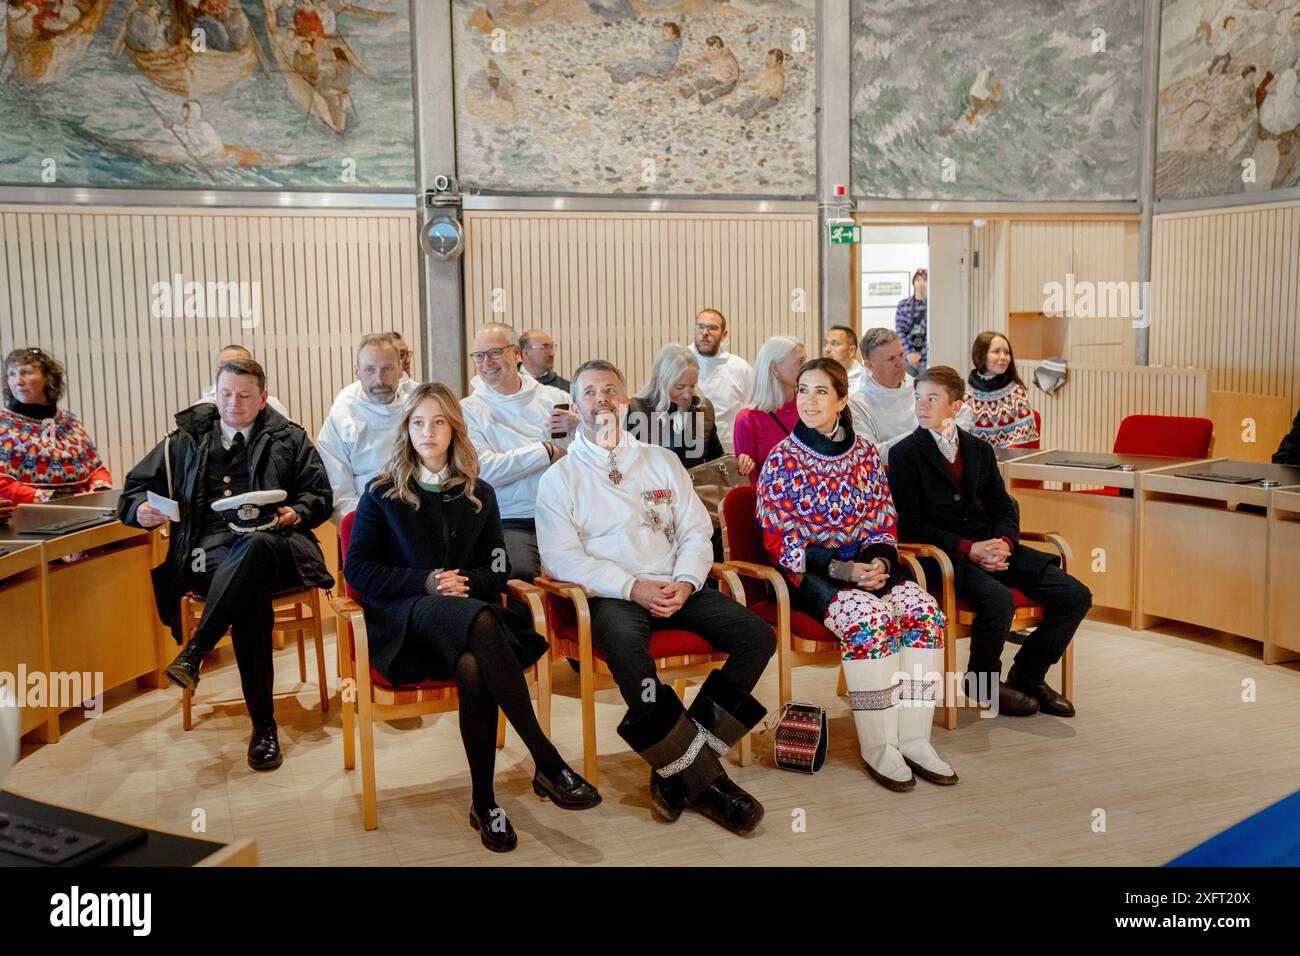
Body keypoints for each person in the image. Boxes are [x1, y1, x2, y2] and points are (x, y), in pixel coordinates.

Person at [343, 383, 600, 852]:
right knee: (483, 624)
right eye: (418, 422)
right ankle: (546, 759)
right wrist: (427, 583)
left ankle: (485, 803)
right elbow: (358, 569)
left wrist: (461, 583)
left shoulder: (478, 492)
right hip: (405, 624)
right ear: (407, 430)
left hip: (465, 623)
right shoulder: (381, 492)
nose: (428, 432)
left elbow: (496, 569)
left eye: (438, 422)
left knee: (474, 666)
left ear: (454, 430)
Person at [536, 360, 775, 835]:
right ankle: (707, 782)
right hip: (614, 596)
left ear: (625, 401)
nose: (601, 399)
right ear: (576, 405)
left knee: (756, 636)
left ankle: (680, 767)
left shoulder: (661, 461)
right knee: (629, 655)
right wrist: (631, 587)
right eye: (589, 392)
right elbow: (564, 561)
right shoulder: (560, 479)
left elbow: (696, 532)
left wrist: (686, 581)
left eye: (610, 389)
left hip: (676, 585)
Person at [118, 357, 334, 770]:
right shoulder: (184, 439)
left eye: (244, 395)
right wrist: (139, 511)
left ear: (264, 398)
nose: (233, 403)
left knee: (253, 549)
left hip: (280, 548)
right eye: (225, 394)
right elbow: (131, 493)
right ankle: (264, 727)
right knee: (247, 594)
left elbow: (319, 495)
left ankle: (195, 651)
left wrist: (296, 513)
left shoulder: (288, 437)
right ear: (214, 394)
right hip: (207, 554)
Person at [756, 358, 954, 791]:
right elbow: (778, 542)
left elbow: (884, 518)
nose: (808, 400)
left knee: (925, 610)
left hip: (869, 564)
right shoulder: (781, 459)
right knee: (869, 620)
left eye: (821, 391)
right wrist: (843, 568)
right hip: (810, 573)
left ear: (843, 400)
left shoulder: (864, 453)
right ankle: (880, 747)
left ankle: (915, 738)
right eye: (803, 390)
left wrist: (881, 562)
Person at [888, 367, 1090, 719]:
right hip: (946, 557)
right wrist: (970, 549)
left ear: (955, 406)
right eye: (918, 398)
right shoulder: (904, 453)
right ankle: (981, 682)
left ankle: (1028, 675)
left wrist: (1005, 544)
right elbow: (910, 526)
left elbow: (1002, 506)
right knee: (997, 599)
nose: (922, 406)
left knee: (1075, 594)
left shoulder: (979, 450)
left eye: (932, 399)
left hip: (995, 549)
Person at [461, 323, 576, 584]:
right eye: (479, 356)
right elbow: (485, 471)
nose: (486, 363)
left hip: (565, 512)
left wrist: (579, 428)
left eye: (494, 353)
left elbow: (588, 454)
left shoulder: (556, 398)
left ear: (516, 353)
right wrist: (545, 451)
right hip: (512, 518)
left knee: (596, 570)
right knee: (519, 575)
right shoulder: (469, 409)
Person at [316, 334, 415, 524]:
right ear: (357, 372)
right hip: (363, 515)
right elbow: (337, 487)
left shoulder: (418, 404)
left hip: (415, 511)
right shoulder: (342, 413)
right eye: (370, 370)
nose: (380, 379)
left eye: (388, 368)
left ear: (401, 369)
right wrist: (365, 523)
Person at [1, 347, 112, 504]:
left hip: (81, 510)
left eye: (26, 372)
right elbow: (3, 485)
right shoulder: (2, 423)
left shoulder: (69, 421)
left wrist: (99, 491)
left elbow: (96, 469)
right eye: (12, 374)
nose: (17, 382)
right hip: (24, 516)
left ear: (48, 377)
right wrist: (57, 499)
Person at [627, 343, 723, 469]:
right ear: (662, 382)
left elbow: (716, 459)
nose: (687, 394)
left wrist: (740, 461)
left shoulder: (702, 408)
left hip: (694, 486)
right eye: (680, 387)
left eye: (692, 386)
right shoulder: (636, 408)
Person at [733, 336, 804, 484]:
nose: (806, 367)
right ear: (775, 368)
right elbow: (748, 479)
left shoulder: (810, 408)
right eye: (799, 362)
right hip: (771, 503)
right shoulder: (748, 419)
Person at [955, 332, 1039, 447]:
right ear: (980, 354)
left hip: (1006, 460)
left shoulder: (1016, 392)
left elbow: (1020, 439)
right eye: (996, 351)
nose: (1003, 357)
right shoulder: (964, 392)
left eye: (1007, 352)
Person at [690, 307, 753, 456]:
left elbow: (754, 410)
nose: (705, 333)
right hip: (689, 452)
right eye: (700, 326)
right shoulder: (678, 363)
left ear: (724, 335)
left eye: (712, 328)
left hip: (729, 453)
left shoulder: (740, 368)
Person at [851, 328, 917, 455]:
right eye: (891, 359)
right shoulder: (856, 403)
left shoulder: (918, 387)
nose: (901, 363)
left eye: (901, 354)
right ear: (869, 365)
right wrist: (916, 439)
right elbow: (869, 454)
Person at [194, 344, 290, 419]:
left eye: (239, 367)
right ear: (216, 371)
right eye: (224, 366)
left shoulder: (272, 405)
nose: (232, 372)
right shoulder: (202, 408)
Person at [604, 20, 681, 84]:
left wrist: (659, 58)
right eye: (663, 30)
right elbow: (656, 48)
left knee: (638, 66)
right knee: (636, 59)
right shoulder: (667, 43)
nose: (663, 32)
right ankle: (618, 68)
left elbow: (671, 59)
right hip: (654, 64)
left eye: (666, 31)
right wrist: (651, 42)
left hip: (658, 70)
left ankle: (625, 78)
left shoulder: (672, 46)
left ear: (674, 35)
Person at [677, 34, 740, 107]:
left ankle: (705, 99)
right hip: (717, 77)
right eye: (710, 49)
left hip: (729, 82)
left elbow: (736, 73)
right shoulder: (711, 55)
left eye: (715, 49)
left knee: (717, 90)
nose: (712, 52)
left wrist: (729, 80)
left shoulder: (729, 59)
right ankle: (688, 92)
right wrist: (687, 56)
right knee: (703, 81)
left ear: (722, 48)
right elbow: (701, 55)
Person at [728, 48, 785, 120]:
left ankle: (747, 114)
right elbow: (758, 82)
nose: (768, 61)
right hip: (761, 95)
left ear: (778, 62)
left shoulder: (779, 76)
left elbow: (777, 94)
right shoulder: (765, 70)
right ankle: (735, 110)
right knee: (748, 101)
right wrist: (750, 85)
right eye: (767, 59)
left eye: (771, 60)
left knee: (758, 105)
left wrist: (769, 93)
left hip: (771, 99)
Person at [894, 268, 928, 377]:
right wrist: (909, 354)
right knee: (906, 389)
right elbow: (900, 331)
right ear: (913, 283)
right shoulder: (903, 305)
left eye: (925, 280)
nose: (921, 283)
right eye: (918, 280)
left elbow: (935, 333)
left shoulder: (934, 306)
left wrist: (920, 354)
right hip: (907, 357)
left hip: (927, 357)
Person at [823, 324, 866, 394]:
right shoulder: (819, 375)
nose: (827, 349)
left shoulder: (863, 381)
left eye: (835, 344)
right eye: (825, 344)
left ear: (851, 351)